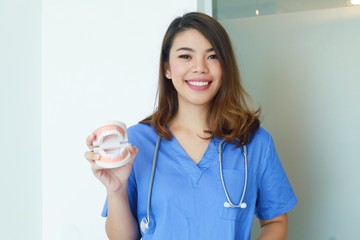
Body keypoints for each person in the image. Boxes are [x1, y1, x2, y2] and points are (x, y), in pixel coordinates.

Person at [85, 11, 297, 240]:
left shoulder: (254, 142)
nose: (200, 68)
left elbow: (275, 221)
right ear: (167, 67)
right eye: (186, 56)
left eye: (212, 56)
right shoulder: (137, 143)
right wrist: (116, 190)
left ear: (225, 67)